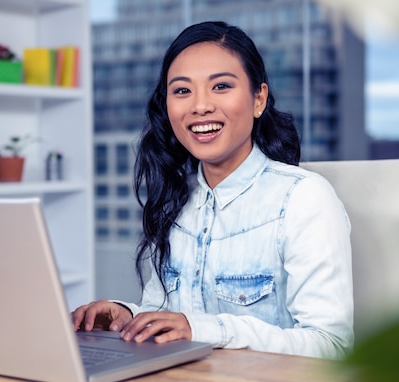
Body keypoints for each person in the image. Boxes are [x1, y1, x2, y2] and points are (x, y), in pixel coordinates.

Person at [72, 21, 354, 359]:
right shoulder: (174, 200)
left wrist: (204, 329)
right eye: (182, 91)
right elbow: (164, 313)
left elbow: (332, 346)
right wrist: (127, 317)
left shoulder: (303, 198)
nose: (200, 106)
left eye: (221, 86)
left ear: (258, 99)